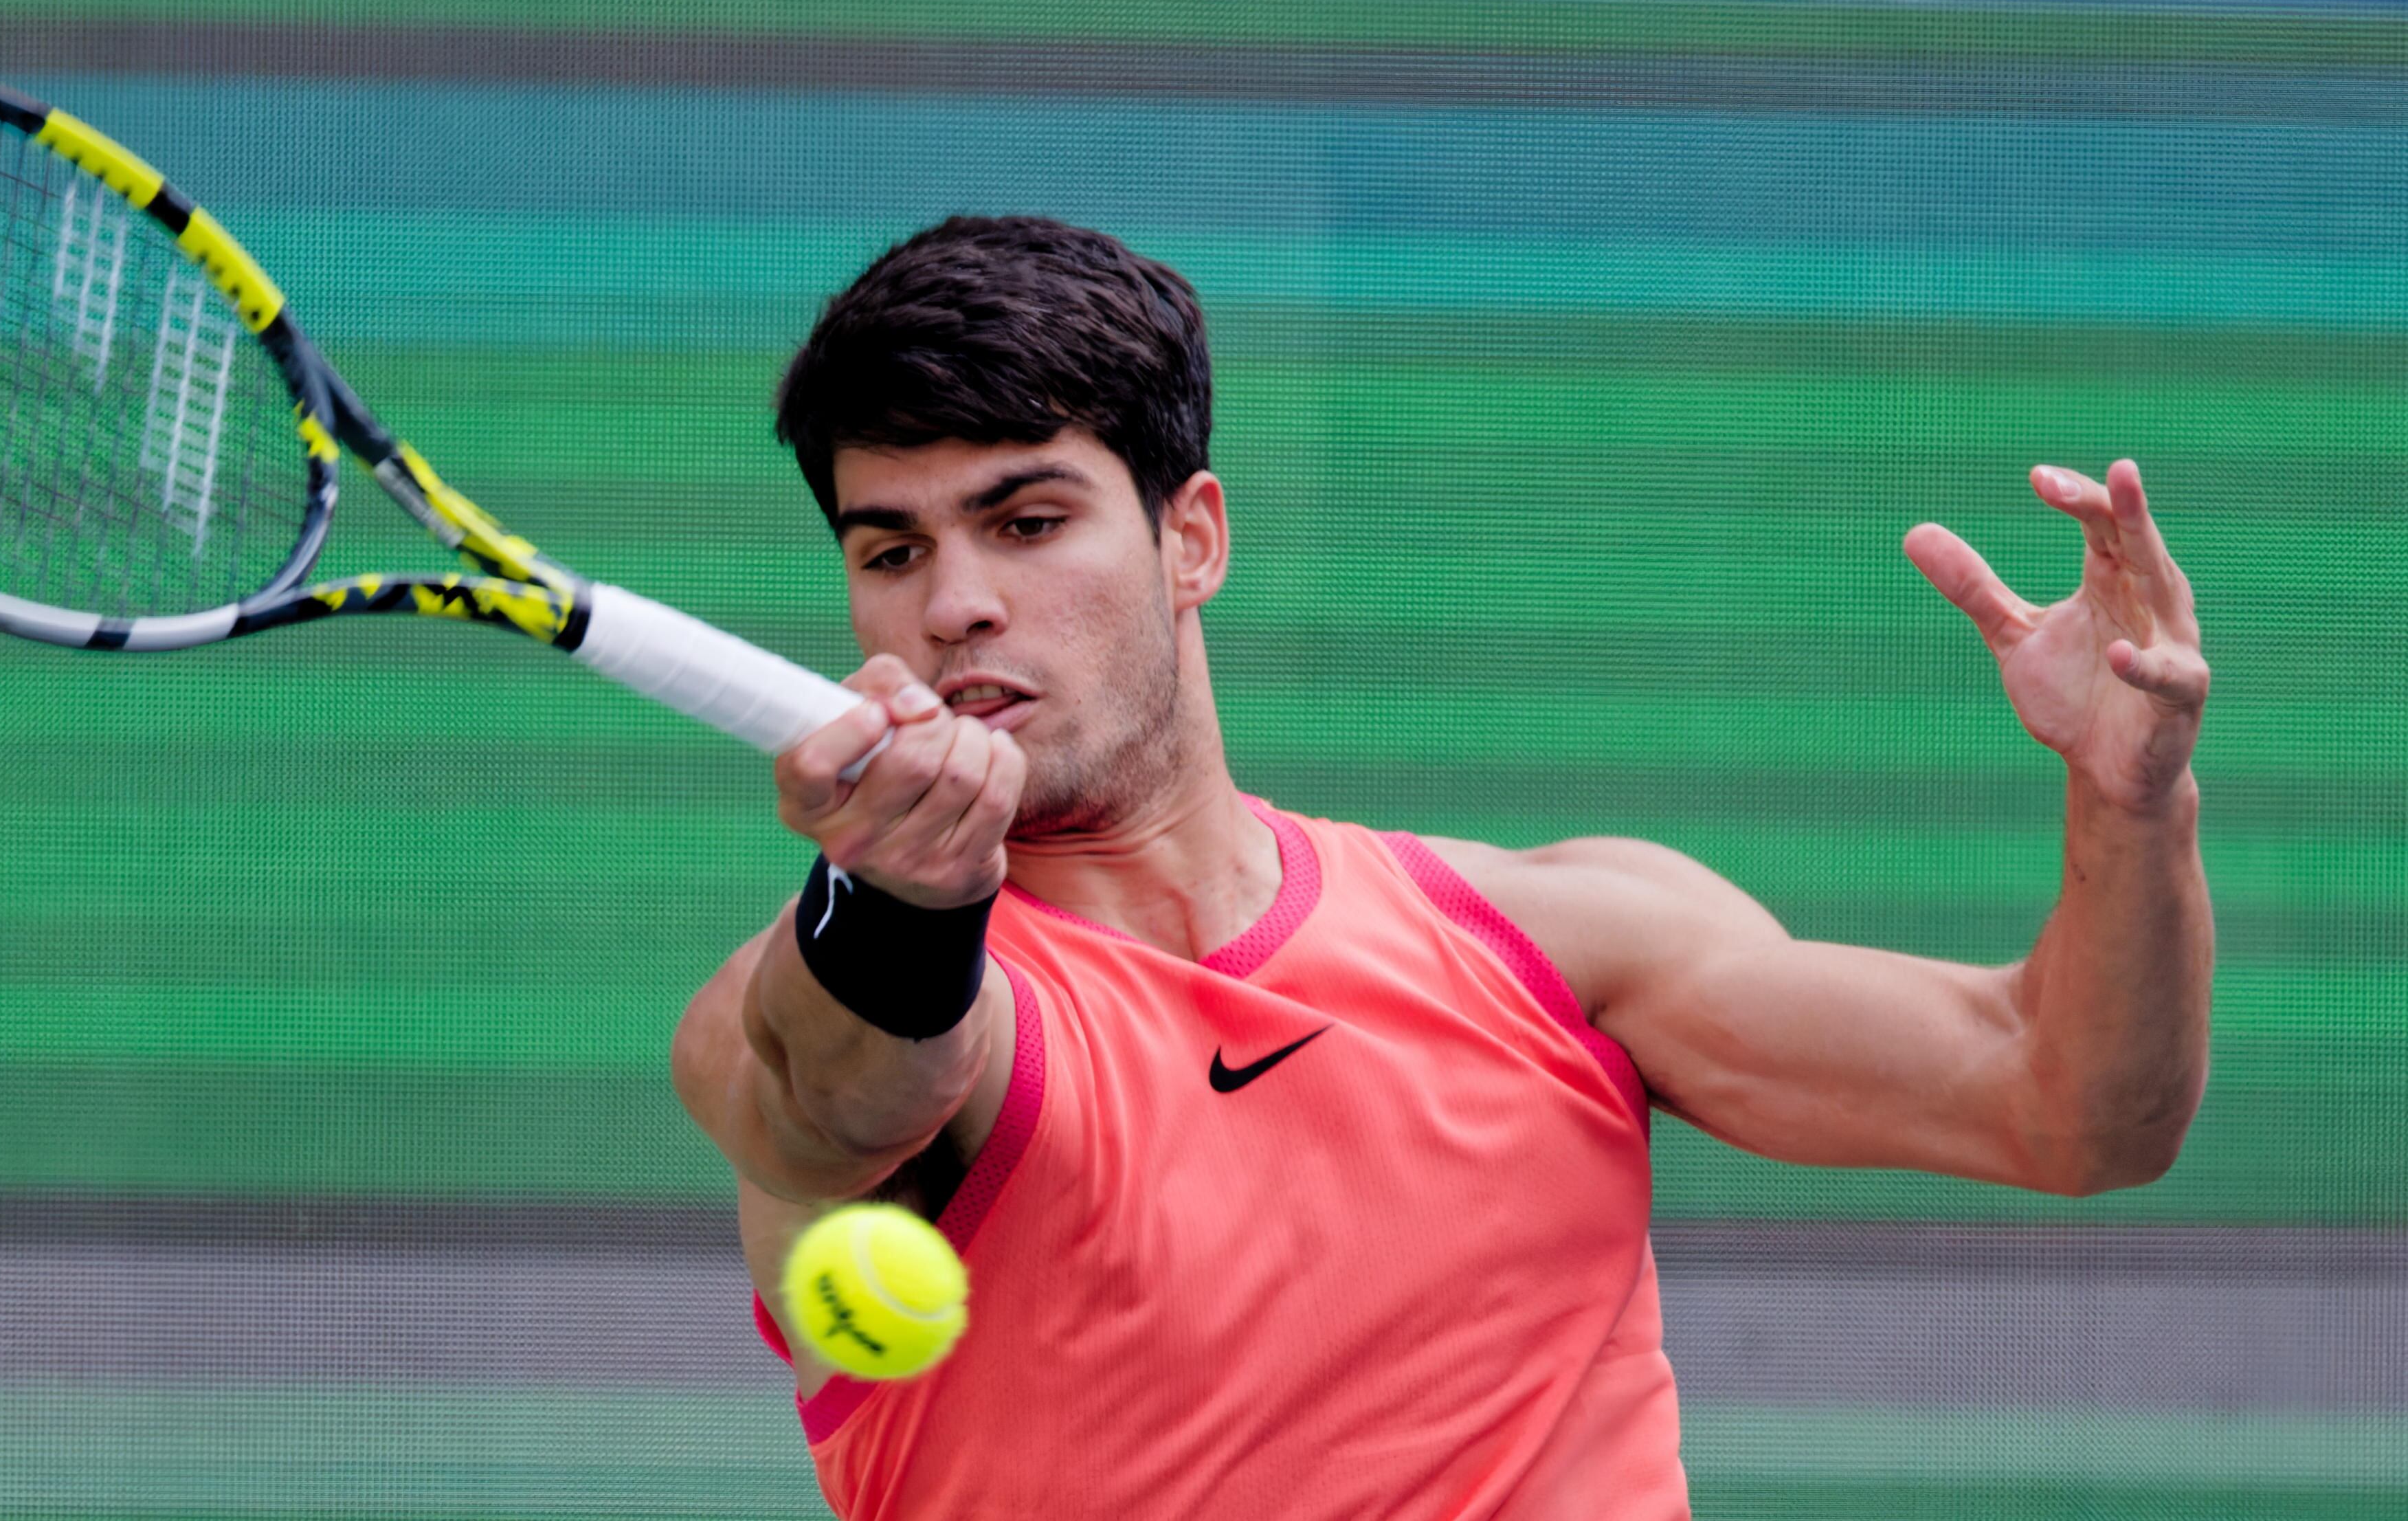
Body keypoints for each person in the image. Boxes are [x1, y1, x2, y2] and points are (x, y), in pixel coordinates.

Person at [667, 216, 2214, 1518]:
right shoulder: (827, 999)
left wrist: (2127, 804)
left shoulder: (1549, 939)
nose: (954, 606)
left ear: (1190, 538)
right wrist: (896, 894)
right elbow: (837, 1104)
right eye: (890, 552)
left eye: (1025, 520)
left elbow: (2072, 1109)